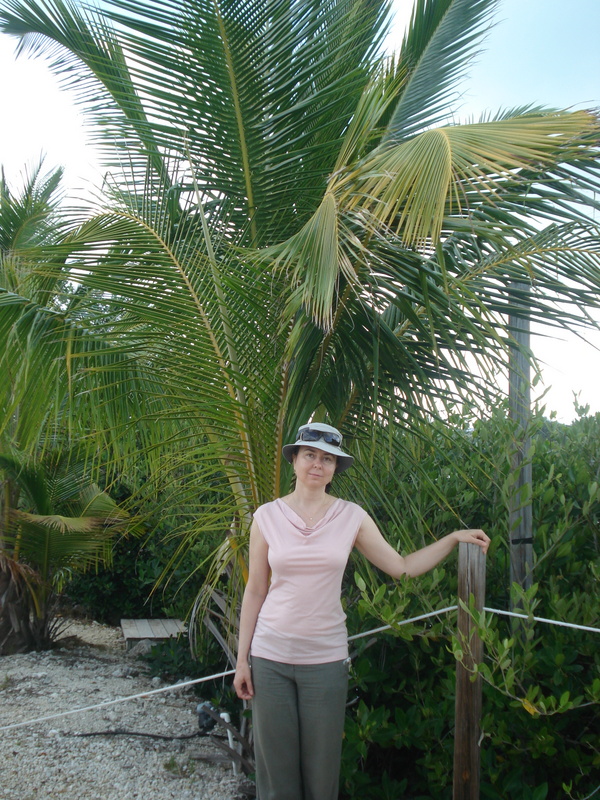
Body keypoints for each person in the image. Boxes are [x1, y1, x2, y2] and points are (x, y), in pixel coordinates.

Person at [233, 422, 490, 800]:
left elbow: (400, 566)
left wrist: (452, 539)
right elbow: (255, 589)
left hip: (325, 661)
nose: (317, 465)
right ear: (294, 460)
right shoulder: (266, 517)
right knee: (276, 784)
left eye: (327, 459)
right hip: (269, 659)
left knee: (322, 781)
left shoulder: (351, 517)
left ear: (335, 468)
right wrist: (243, 661)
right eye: (310, 455)